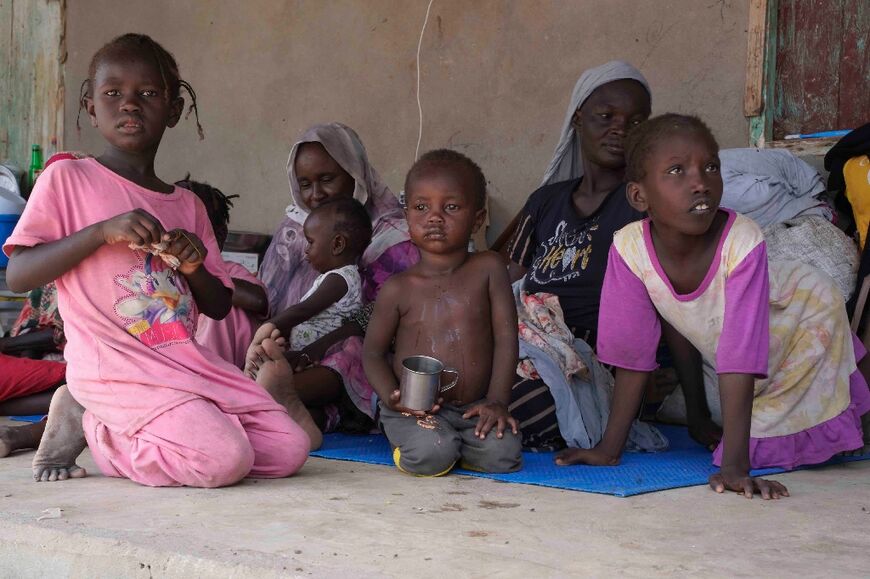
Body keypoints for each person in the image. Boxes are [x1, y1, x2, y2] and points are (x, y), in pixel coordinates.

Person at [3, 33, 318, 486]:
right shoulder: (67, 178)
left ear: (173, 110)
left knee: (289, 450)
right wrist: (99, 232)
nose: (129, 105)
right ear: (91, 106)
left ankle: (154, 426)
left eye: (148, 94)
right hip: (113, 369)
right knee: (224, 461)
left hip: (184, 365)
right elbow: (18, 274)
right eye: (113, 94)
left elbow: (217, 305)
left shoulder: (187, 205)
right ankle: (97, 426)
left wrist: (192, 267)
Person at [557, 114, 870, 499]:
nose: (700, 183)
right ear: (639, 196)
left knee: (783, 437)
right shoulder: (629, 249)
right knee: (736, 427)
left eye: (710, 167)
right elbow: (638, 353)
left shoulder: (742, 240)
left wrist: (735, 468)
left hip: (798, 320)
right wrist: (610, 450)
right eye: (677, 171)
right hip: (737, 348)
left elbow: (740, 355)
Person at [503, 61, 691, 450]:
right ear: (578, 120)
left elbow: (672, 301)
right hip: (529, 339)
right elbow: (508, 283)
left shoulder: (645, 205)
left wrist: (694, 407)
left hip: (598, 363)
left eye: (636, 122)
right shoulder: (545, 202)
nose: (619, 129)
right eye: (605, 116)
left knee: (532, 402)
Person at [363, 149, 522, 476]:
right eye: (422, 207)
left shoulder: (489, 268)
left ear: (477, 219)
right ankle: (423, 442)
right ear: (407, 217)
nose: (434, 217)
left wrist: (497, 401)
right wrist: (393, 398)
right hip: (413, 408)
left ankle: (454, 444)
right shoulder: (398, 288)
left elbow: (507, 339)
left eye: (451, 207)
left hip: (472, 408)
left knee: (503, 455)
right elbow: (373, 354)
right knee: (432, 453)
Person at [257, 123, 419, 437]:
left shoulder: (394, 237)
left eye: (327, 179)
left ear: (354, 174)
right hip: (295, 344)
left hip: (353, 346)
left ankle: (263, 397)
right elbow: (268, 297)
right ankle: (299, 411)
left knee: (355, 349)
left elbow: (378, 314)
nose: (315, 194)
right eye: (304, 183)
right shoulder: (297, 226)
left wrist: (313, 348)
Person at [247, 198, 370, 377]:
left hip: (324, 359)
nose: (306, 250)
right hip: (309, 356)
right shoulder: (335, 277)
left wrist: (270, 324)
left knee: (267, 374)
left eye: (311, 242)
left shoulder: (341, 278)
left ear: (337, 245)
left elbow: (305, 310)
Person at [177, 177, 270, 369]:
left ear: (220, 236)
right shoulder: (164, 273)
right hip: (178, 363)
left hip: (224, 364)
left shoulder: (229, 270)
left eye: (194, 228)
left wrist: (199, 276)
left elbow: (258, 300)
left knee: (225, 306)